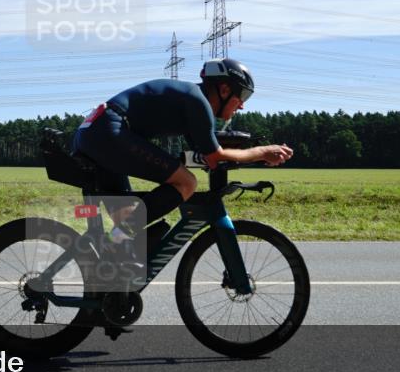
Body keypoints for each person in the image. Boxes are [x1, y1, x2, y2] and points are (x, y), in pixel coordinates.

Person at [72, 58, 293, 254]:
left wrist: (249, 153)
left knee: (128, 218)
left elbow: (203, 155)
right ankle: (112, 243)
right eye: (243, 95)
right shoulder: (197, 101)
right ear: (225, 89)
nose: (242, 105)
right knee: (186, 182)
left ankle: (109, 275)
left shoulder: (191, 100)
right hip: (108, 132)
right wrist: (261, 152)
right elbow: (214, 157)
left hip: (95, 132)